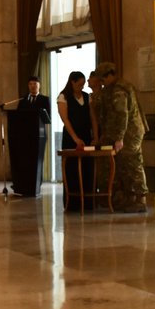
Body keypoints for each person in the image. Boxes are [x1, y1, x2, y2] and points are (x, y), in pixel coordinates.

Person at [94, 62, 148, 213]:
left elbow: (122, 114)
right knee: (123, 165)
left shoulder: (119, 89)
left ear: (110, 75)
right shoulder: (114, 88)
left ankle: (140, 199)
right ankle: (129, 198)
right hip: (126, 132)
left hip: (129, 133)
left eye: (103, 79)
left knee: (133, 164)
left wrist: (119, 138)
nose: (102, 83)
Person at [57, 71, 94, 211]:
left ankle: (88, 203)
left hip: (86, 135)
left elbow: (93, 118)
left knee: (87, 168)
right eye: (79, 84)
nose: (82, 87)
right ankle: (72, 203)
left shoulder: (87, 97)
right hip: (71, 137)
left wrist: (94, 136)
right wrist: (76, 139)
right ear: (72, 82)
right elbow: (65, 119)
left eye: (83, 84)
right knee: (71, 169)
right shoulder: (63, 97)